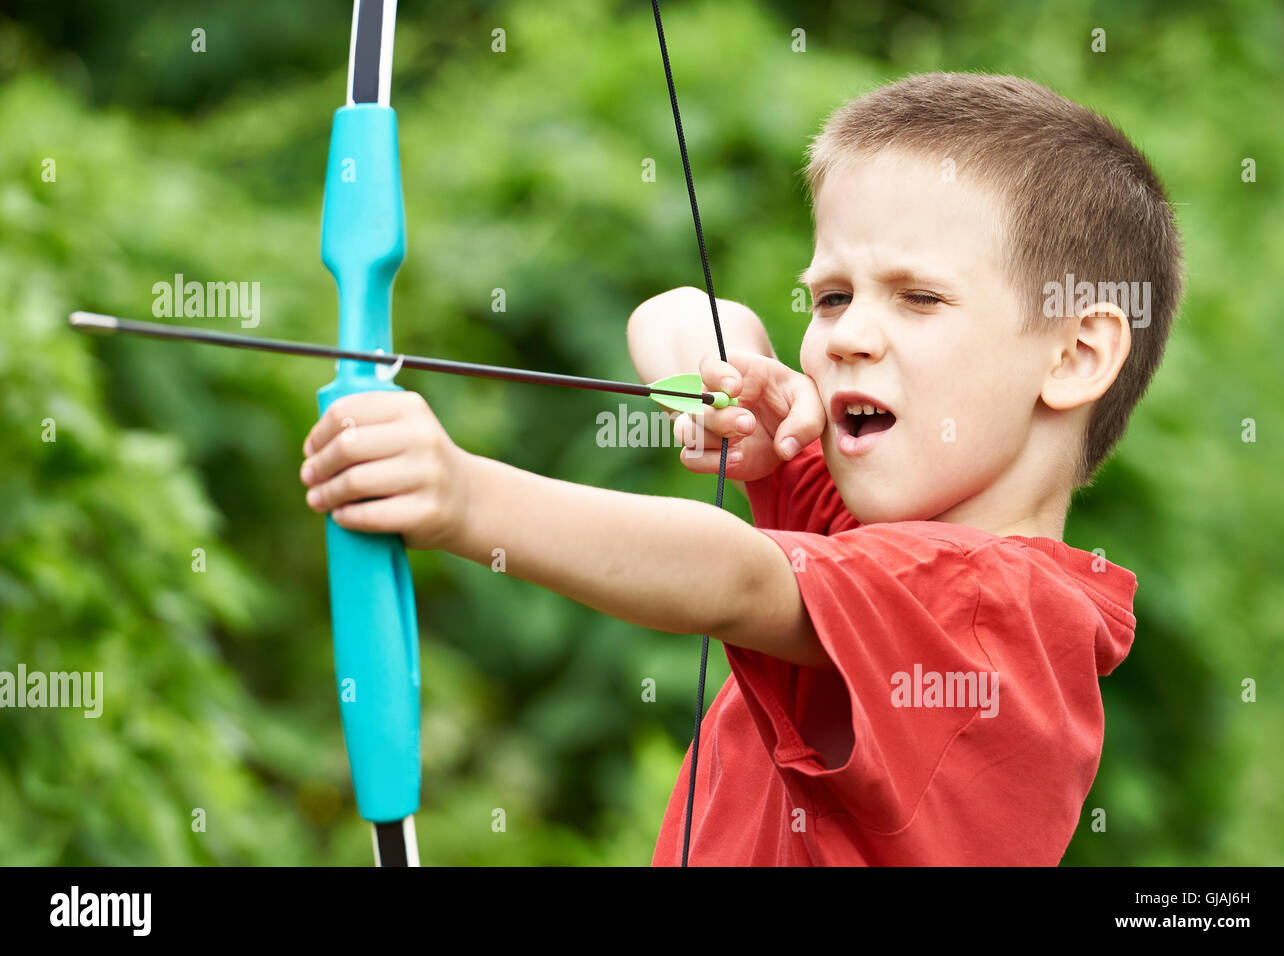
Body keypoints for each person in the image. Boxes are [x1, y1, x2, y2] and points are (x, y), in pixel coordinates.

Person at [299, 72, 1185, 865]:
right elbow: (682, 312)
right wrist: (723, 385)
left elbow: (736, 577)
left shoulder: (994, 613)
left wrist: (465, 497)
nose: (846, 335)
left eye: (919, 297)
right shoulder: (868, 531)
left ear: (1074, 356)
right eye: (832, 296)